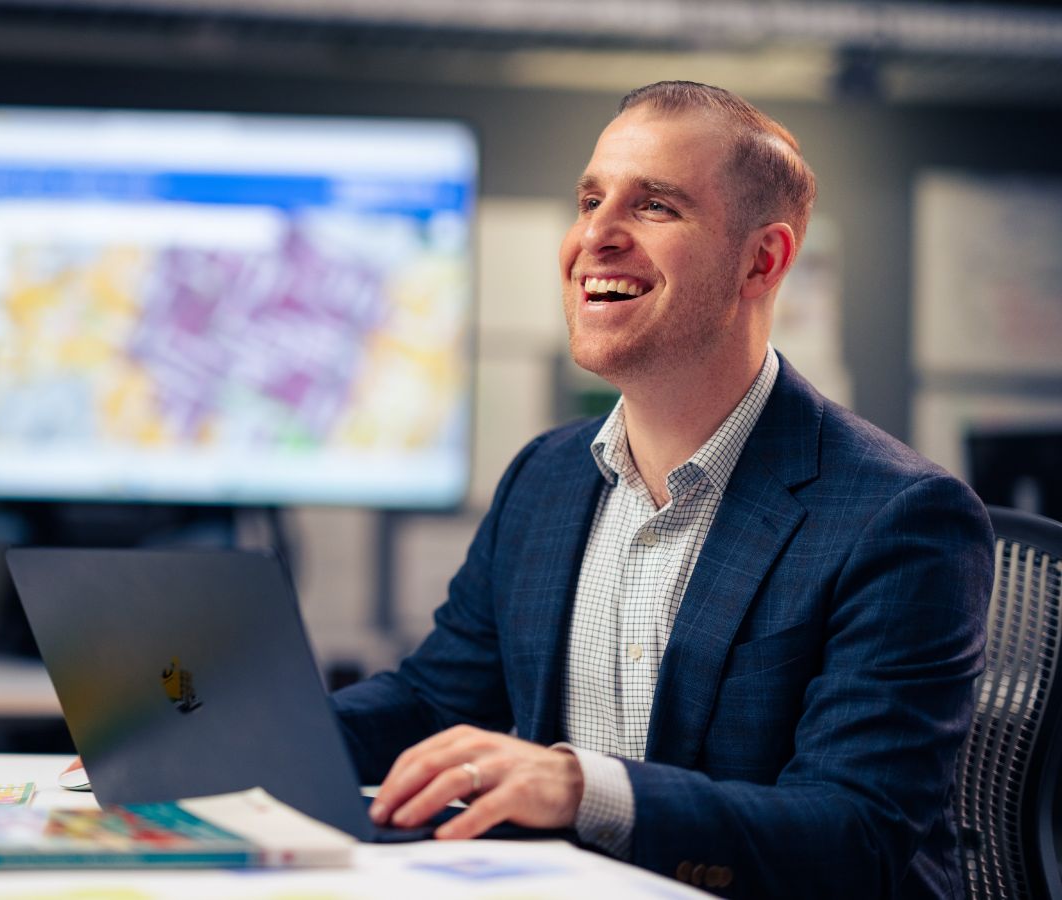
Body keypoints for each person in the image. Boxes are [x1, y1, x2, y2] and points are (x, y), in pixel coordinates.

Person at [331, 81, 994, 899]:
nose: (593, 236)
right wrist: (238, 731)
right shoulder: (545, 477)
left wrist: (582, 788)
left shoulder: (900, 517)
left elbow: (854, 836)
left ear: (764, 259)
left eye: (654, 207)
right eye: (590, 198)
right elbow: (434, 701)